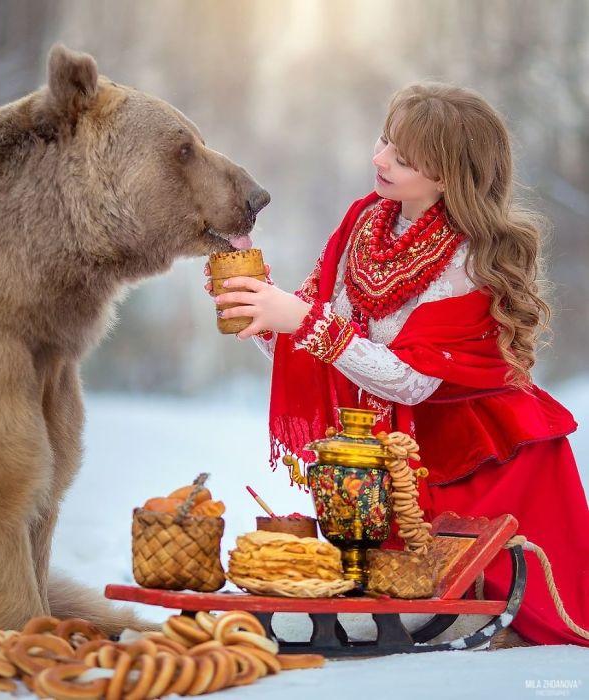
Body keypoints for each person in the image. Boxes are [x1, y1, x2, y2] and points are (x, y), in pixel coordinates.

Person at [206, 83, 589, 648]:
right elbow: (324, 346)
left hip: (474, 470)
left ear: (447, 178)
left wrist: (302, 321)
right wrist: (260, 303)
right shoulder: (366, 219)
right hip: (387, 464)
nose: (379, 159)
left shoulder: (468, 260)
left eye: (403, 158)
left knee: (404, 608)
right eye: (385, 139)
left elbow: (408, 381)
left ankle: (482, 614)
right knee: (347, 600)